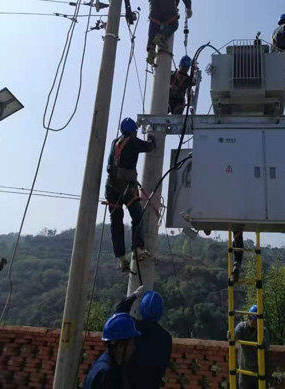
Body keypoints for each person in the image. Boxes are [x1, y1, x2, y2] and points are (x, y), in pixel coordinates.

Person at [105, 117, 156, 273]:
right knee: (137, 217)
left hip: (111, 188)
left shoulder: (115, 142)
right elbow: (150, 147)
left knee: (116, 222)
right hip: (127, 188)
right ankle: (138, 249)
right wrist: (152, 138)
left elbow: (110, 165)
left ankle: (122, 259)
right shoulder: (133, 141)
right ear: (133, 131)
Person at [116, 289, 173, 389]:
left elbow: (119, 314)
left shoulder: (133, 328)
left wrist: (134, 296)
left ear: (142, 308)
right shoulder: (166, 338)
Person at [83, 313, 140, 389]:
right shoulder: (109, 376)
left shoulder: (100, 365)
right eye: (132, 344)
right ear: (121, 346)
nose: (133, 348)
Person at [147, 0, 193, 66]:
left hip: (153, 0)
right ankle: (160, 37)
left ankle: (151, 50)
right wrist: (188, 7)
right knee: (173, 23)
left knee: (155, 22)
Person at [235, 305, 270, 389]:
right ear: (249, 317)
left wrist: (260, 336)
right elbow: (234, 336)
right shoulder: (242, 328)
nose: (257, 322)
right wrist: (233, 334)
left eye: (258, 320)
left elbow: (266, 346)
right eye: (255, 320)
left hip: (259, 370)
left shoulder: (263, 330)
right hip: (245, 370)